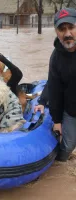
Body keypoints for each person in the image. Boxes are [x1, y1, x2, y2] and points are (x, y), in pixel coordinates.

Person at [48, 8, 76, 161]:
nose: (67, 34)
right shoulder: (56, 58)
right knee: (66, 148)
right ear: (56, 31)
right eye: (62, 29)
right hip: (71, 110)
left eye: (71, 27)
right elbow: (54, 90)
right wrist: (57, 121)